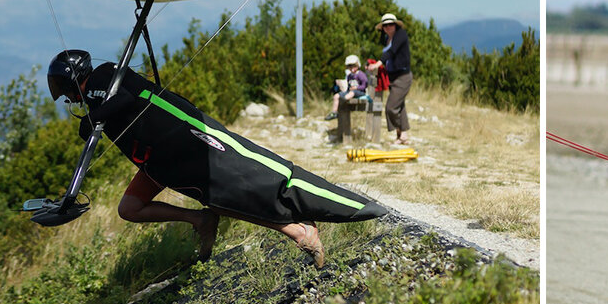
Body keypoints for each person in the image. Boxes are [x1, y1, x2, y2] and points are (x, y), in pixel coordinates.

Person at [46, 50, 387, 269]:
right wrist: (94, 118)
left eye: (65, 90)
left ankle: (298, 230)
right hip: (158, 160)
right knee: (129, 209)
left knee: (228, 194)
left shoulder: (103, 78)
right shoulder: (98, 93)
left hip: (180, 143)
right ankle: (200, 221)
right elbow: (115, 108)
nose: (67, 96)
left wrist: (95, 117)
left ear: (71, 80)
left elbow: (126, 101)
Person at [366, 13, 412, 145]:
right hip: (392, 76)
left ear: (395, 25)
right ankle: (402, 136)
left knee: (391, 107)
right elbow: (386, 54)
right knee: (400, 106)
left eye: (390, 24)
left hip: (402, 76)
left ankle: (401, 131)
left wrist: (377, 64)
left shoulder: (401, 35)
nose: (388, 27)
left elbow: (391, 52)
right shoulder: (387, 39)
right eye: (385, 25)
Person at [325, 54, 368, 120]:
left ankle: (343, 101)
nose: (352, 68)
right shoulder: (349, 76)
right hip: (350, 92)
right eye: (350, 67)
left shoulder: (360, 74)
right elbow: (349, 86)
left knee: (352, 93)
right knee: (336, 96)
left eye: (354, 66)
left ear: (357, 66)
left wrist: (356, 88)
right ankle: (334, 112)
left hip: (360, 92)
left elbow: (364, 85)